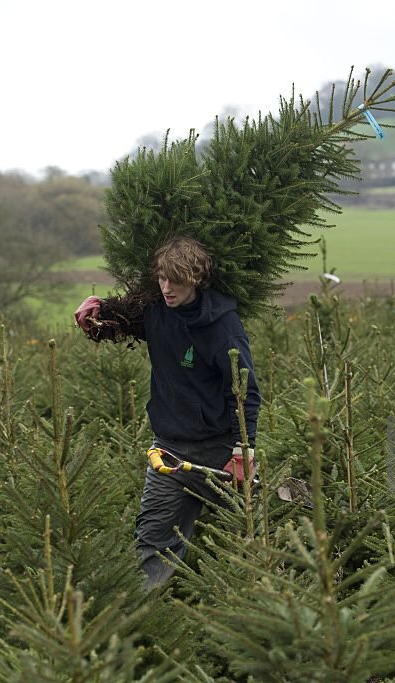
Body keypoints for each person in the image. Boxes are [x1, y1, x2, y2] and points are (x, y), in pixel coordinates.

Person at [74, 235, 261, 589]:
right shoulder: (156, 312)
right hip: (169, 453)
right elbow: (118, 320)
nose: (166, 288)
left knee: (251, 539)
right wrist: (96, 309)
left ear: (196, 279)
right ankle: (144, 623)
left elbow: (246, 393)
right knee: (152, 542)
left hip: (220, 451)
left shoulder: (223, 327)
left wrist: (242, 451)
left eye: (175, 280)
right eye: (161, 278)